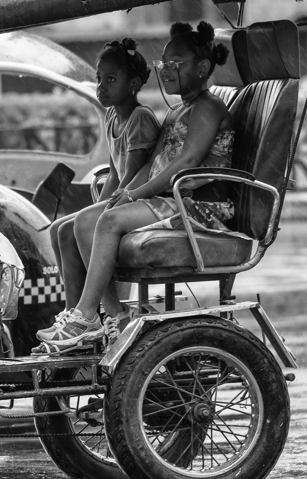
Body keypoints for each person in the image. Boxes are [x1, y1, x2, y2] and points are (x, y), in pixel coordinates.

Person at [38, 21, 233, 349]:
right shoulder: (177, 111)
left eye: (176, 64)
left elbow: (185, 163)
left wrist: (135, 194)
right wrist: (125, 194)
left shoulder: (207, 107)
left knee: (106, 220)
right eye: (164, 64)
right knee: (90, 219)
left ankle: (91, 316)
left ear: (202, 68)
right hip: (175, 198)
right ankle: (90, 319)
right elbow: (150, 166)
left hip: (198, 204)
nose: (167, 70)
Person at [43, 38, 159, 348]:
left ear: (133, 84)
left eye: (111, 79)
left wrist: (101, 214)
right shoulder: (111, 117)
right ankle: (74, 314)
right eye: (99, 78)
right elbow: (114, 172)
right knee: (60, 229)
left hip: (141, 199)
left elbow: (133, 178)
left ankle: (109, 313)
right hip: (123, 194)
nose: (101, 86)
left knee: (84, 222)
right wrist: (100, 205)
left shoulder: (140, 119)